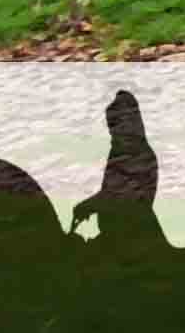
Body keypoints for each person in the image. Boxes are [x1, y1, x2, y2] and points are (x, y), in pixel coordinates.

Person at [70, 88, 169, 255]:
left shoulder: (137, 153)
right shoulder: (120, 151)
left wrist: (88, 205)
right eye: (112, 125)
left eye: (118, 124)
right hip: (117, 233)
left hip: (132, 238)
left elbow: (120, 196)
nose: (114, 130)